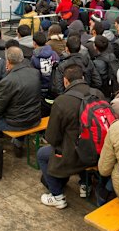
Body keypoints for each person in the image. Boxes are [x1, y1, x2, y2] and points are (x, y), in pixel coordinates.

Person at [38, 64, 105, 209]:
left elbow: (52, 137)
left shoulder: (62, 101)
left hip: (74, 156)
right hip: (98, 150)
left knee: (42, 154)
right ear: (82, 78)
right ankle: (84, 184)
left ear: (65, 81)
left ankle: (57, 196)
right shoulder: (97, 94)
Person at [0, 47, 41, 157]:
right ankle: (17, 143)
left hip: (18, 122)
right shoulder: (35, 73)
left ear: (7, 61)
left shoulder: (8, 81)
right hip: (34, 118)